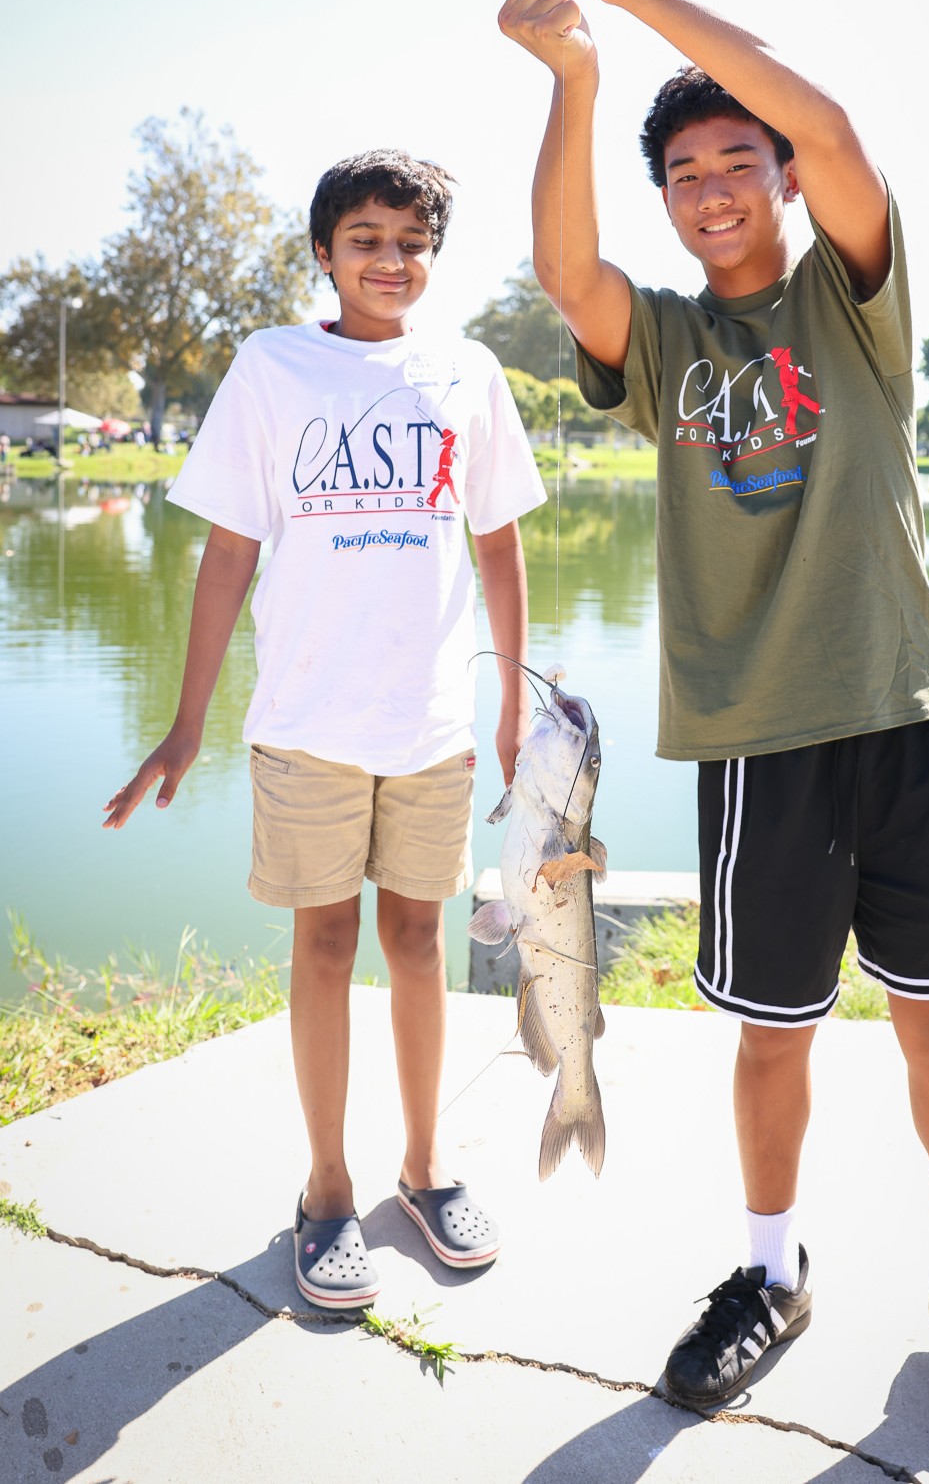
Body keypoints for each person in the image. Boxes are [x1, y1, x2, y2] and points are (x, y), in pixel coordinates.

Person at [499, 0, 929, 1476]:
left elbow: (837, 121)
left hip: (903, 717)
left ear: (787, 177)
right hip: (758, 748)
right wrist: (576, 79)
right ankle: (772, 1269)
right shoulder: (668, 341)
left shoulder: (857, 296)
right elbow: (563, 269)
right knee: (771, 1036)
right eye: (685, 175)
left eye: (741, 158)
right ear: (670, 206)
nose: (714, 186)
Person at [103, 149, 546, 1311]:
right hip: (305, 720)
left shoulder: (468, 371)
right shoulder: (272, 368)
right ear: (323, 252)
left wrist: (512, 705)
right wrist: (186, 720)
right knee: (323, 948)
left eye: (411, 240)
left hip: (431, 723)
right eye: (365, 238)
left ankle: (425, 1167)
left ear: (432, 256)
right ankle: (328, 1189)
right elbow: (229, 552)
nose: (389, 260)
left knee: (415, 941)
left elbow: (497, 542)